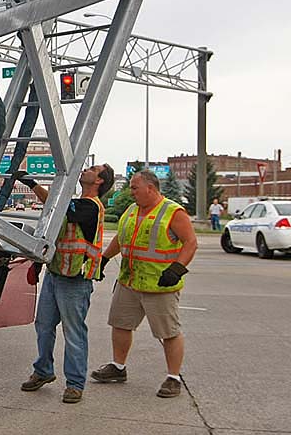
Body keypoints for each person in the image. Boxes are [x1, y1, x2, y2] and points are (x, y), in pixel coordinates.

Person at [91, 170, 198, 398]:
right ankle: (118, 367)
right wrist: (104, 259)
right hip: (129, 281)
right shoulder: (132, 210)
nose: (131, 192)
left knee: (168, 332)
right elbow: (121, 239)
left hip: (159, 285)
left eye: (134, 187)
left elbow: (190, 242)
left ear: (150, 188)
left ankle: (173, 377)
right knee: (120, 324)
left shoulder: (172, 211)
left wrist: (176, 269)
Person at [18, 163, 115, 404]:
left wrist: (35, 184)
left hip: (76, 279)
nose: (85, 169)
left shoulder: (91, 207)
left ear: (99, 181)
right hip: (56, 273)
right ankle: (43, 371)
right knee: (43, 325)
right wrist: (31, 183)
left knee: (73, 332)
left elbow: (63, 209)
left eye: (92, 169)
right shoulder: (77, 204)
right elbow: (56, 212)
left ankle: (74, 384)